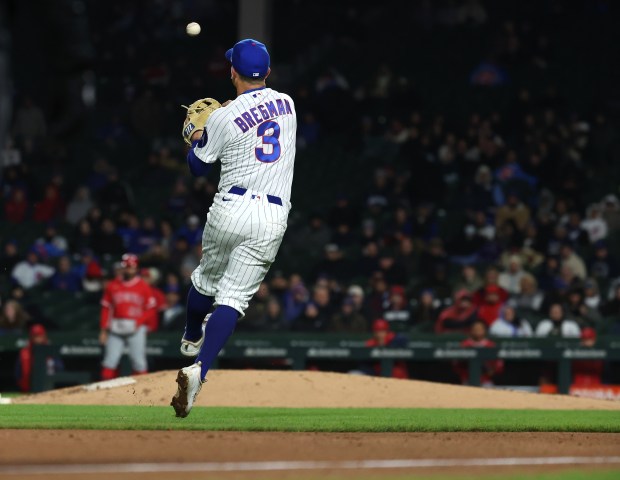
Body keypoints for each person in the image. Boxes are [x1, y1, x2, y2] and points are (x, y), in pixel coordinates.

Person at [171, 39, 297, 418]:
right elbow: (258, 116)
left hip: (231, 208)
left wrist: (196, 134)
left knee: (206, 282)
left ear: (232, 72)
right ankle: (199, 371)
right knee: (233, 299)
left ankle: (191, 336)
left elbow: (198, 166)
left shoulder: (224, 117)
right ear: (269, 73)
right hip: (272, 216)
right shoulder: (288, 104)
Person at [99, 254, 156, 380]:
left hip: (136, 326)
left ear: (136, 268)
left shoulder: (143, 286)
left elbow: (151, 309)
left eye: (131, 267)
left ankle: (142, 393)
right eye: (126, 267)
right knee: (110, 360)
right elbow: (106, 308)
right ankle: (105, 395)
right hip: (116, 326)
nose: (128, 269)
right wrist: (104, 330)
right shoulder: (112, 285)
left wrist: (139, 322)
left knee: (139, 361)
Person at [453, 321, 504, 386]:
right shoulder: (464, 345)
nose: (477, 331)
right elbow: (456, 364)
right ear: (471, 331)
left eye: (480, 329)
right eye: (475, 329)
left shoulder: (491, 345)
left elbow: (499, 364)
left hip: (486, 380)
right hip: (467, 380)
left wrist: (492, 370)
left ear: (484, 331)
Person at [15, 324, 63, 392]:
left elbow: (60, 369)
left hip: (49, 389)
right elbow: (18, 374)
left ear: (44, 336)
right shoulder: (24, 352)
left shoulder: (51, 351)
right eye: (35, 336)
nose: (37, 339)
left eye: (39, 336)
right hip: (28, 389)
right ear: (31, 337)